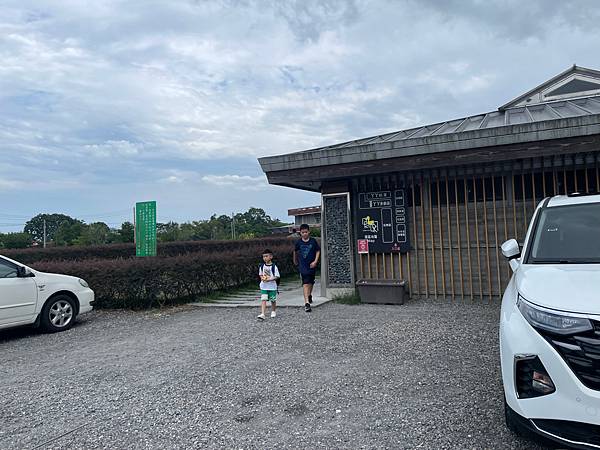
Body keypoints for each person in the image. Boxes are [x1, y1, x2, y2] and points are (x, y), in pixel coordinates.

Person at [293, 223, 320, 312]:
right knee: (305, 282)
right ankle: (307, 303)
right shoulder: (298, 242)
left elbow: (317, 251)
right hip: (303, 265)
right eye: (302, 232)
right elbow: (295, 251)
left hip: (312, 265)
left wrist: (315, 261)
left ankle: (309, 295)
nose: (304, 234)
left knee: (311, 282)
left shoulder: (313, 241)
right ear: (300, 233)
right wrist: (295, 260)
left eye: (306, 232)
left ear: (309, 232)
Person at [257, 249, 280, 321]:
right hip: (264, 286)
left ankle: (273, 311)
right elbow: (260, 274)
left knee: (272, 299)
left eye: (266, 256)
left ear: (271, 257)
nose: (265, 258)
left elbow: (277, 276)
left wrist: (269, 279)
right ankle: (263, 313)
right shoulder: (262, 266)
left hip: (272, 287)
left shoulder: (274, 267)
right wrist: (262, 278)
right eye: (263, 256)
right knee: (263, 299)